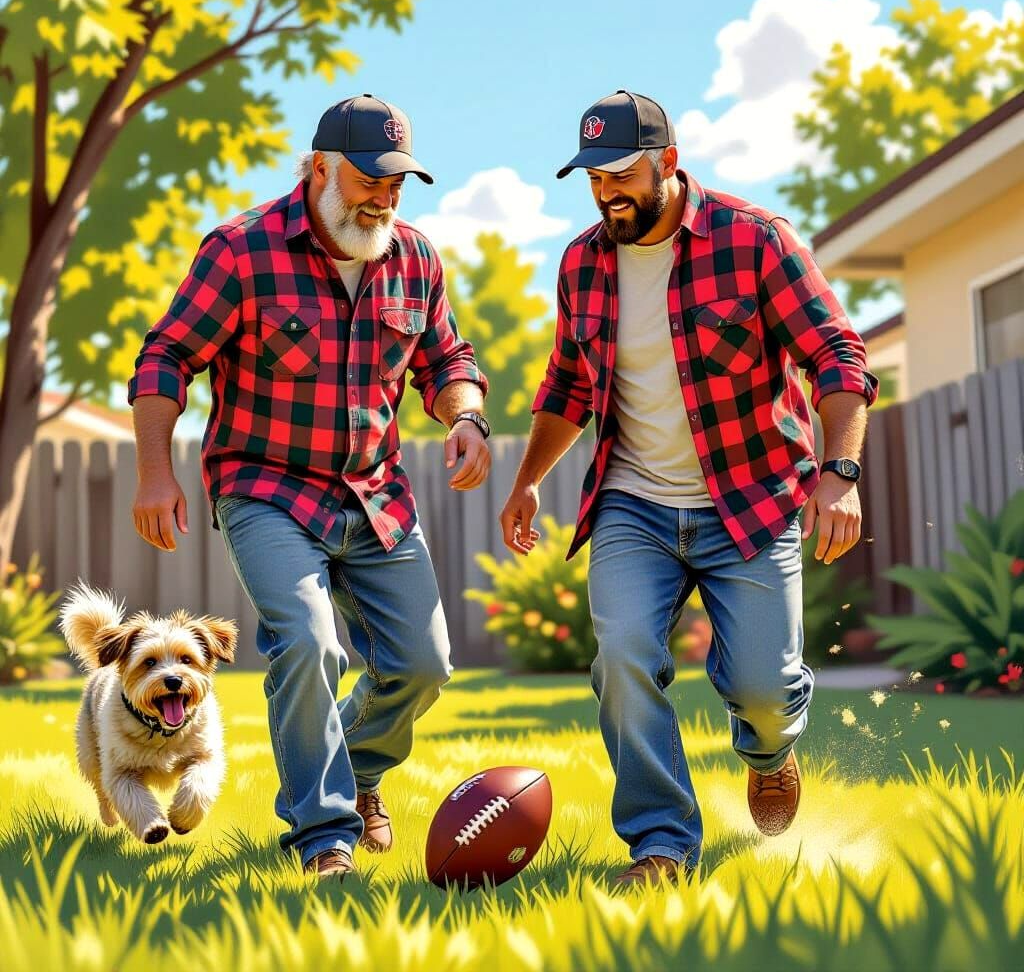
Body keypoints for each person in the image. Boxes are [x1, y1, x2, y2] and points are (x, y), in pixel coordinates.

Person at [499, 90, 878, 888]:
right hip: (634, 505)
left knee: (763, 688)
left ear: (668, 163)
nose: (607, 193)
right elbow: (568, 383)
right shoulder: (582, 261)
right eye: (593, 178)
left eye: (622, 174)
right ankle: (661, 844)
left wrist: (838, 475)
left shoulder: (755, 241)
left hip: (752, 498)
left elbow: (839, 357)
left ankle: (770, 750)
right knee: (624, 656)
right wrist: (528, 479)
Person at [128, 94, 492, 880]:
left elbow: (449, 361)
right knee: (308, 640)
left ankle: (356, 773)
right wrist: (155, 471)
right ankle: (323, 836)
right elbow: (166, 357)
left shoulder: (415, 258)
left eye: (399, 183)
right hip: (266, 488)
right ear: (320, 167)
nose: (385, 197)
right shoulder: (241, 250)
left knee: (424, 665)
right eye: (371, 179)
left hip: (376, 493)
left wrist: (466, 417)